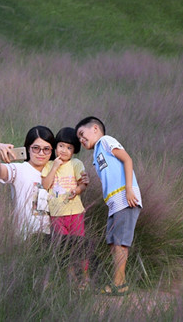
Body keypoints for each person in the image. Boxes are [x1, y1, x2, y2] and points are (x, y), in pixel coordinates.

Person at [75, 116, 142, 296]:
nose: (81, 140)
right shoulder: (97, 154)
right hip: (114, 203)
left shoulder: (105, 141)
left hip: (125, 198)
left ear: (95, 128)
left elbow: (127, 160)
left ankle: (119, 284)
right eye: (79, 139)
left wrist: (129, 189)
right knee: (113, 243)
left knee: (120, 242)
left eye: (82, 134)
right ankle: (120, 281)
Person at [41, 127, 89, 288]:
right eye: (61, 146)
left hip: (75, 212)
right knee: (62, 247)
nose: (64, 150)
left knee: (79, 246)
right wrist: (54, 167)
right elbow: (46, 185)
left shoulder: (76, 163)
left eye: (69, 148)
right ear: (55, 146)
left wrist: (77, 190)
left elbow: (83, 184)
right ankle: (70, 279)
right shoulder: (48, 165)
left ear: (74, 150)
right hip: (56, 214)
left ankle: (84, 278)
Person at [0, 125, 56, 240]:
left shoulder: (56, 171)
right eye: (36, 148)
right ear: (28, 148)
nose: (41, 153)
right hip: (27, 238)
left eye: (46, 149)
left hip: (52, 237)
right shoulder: (20, 169)